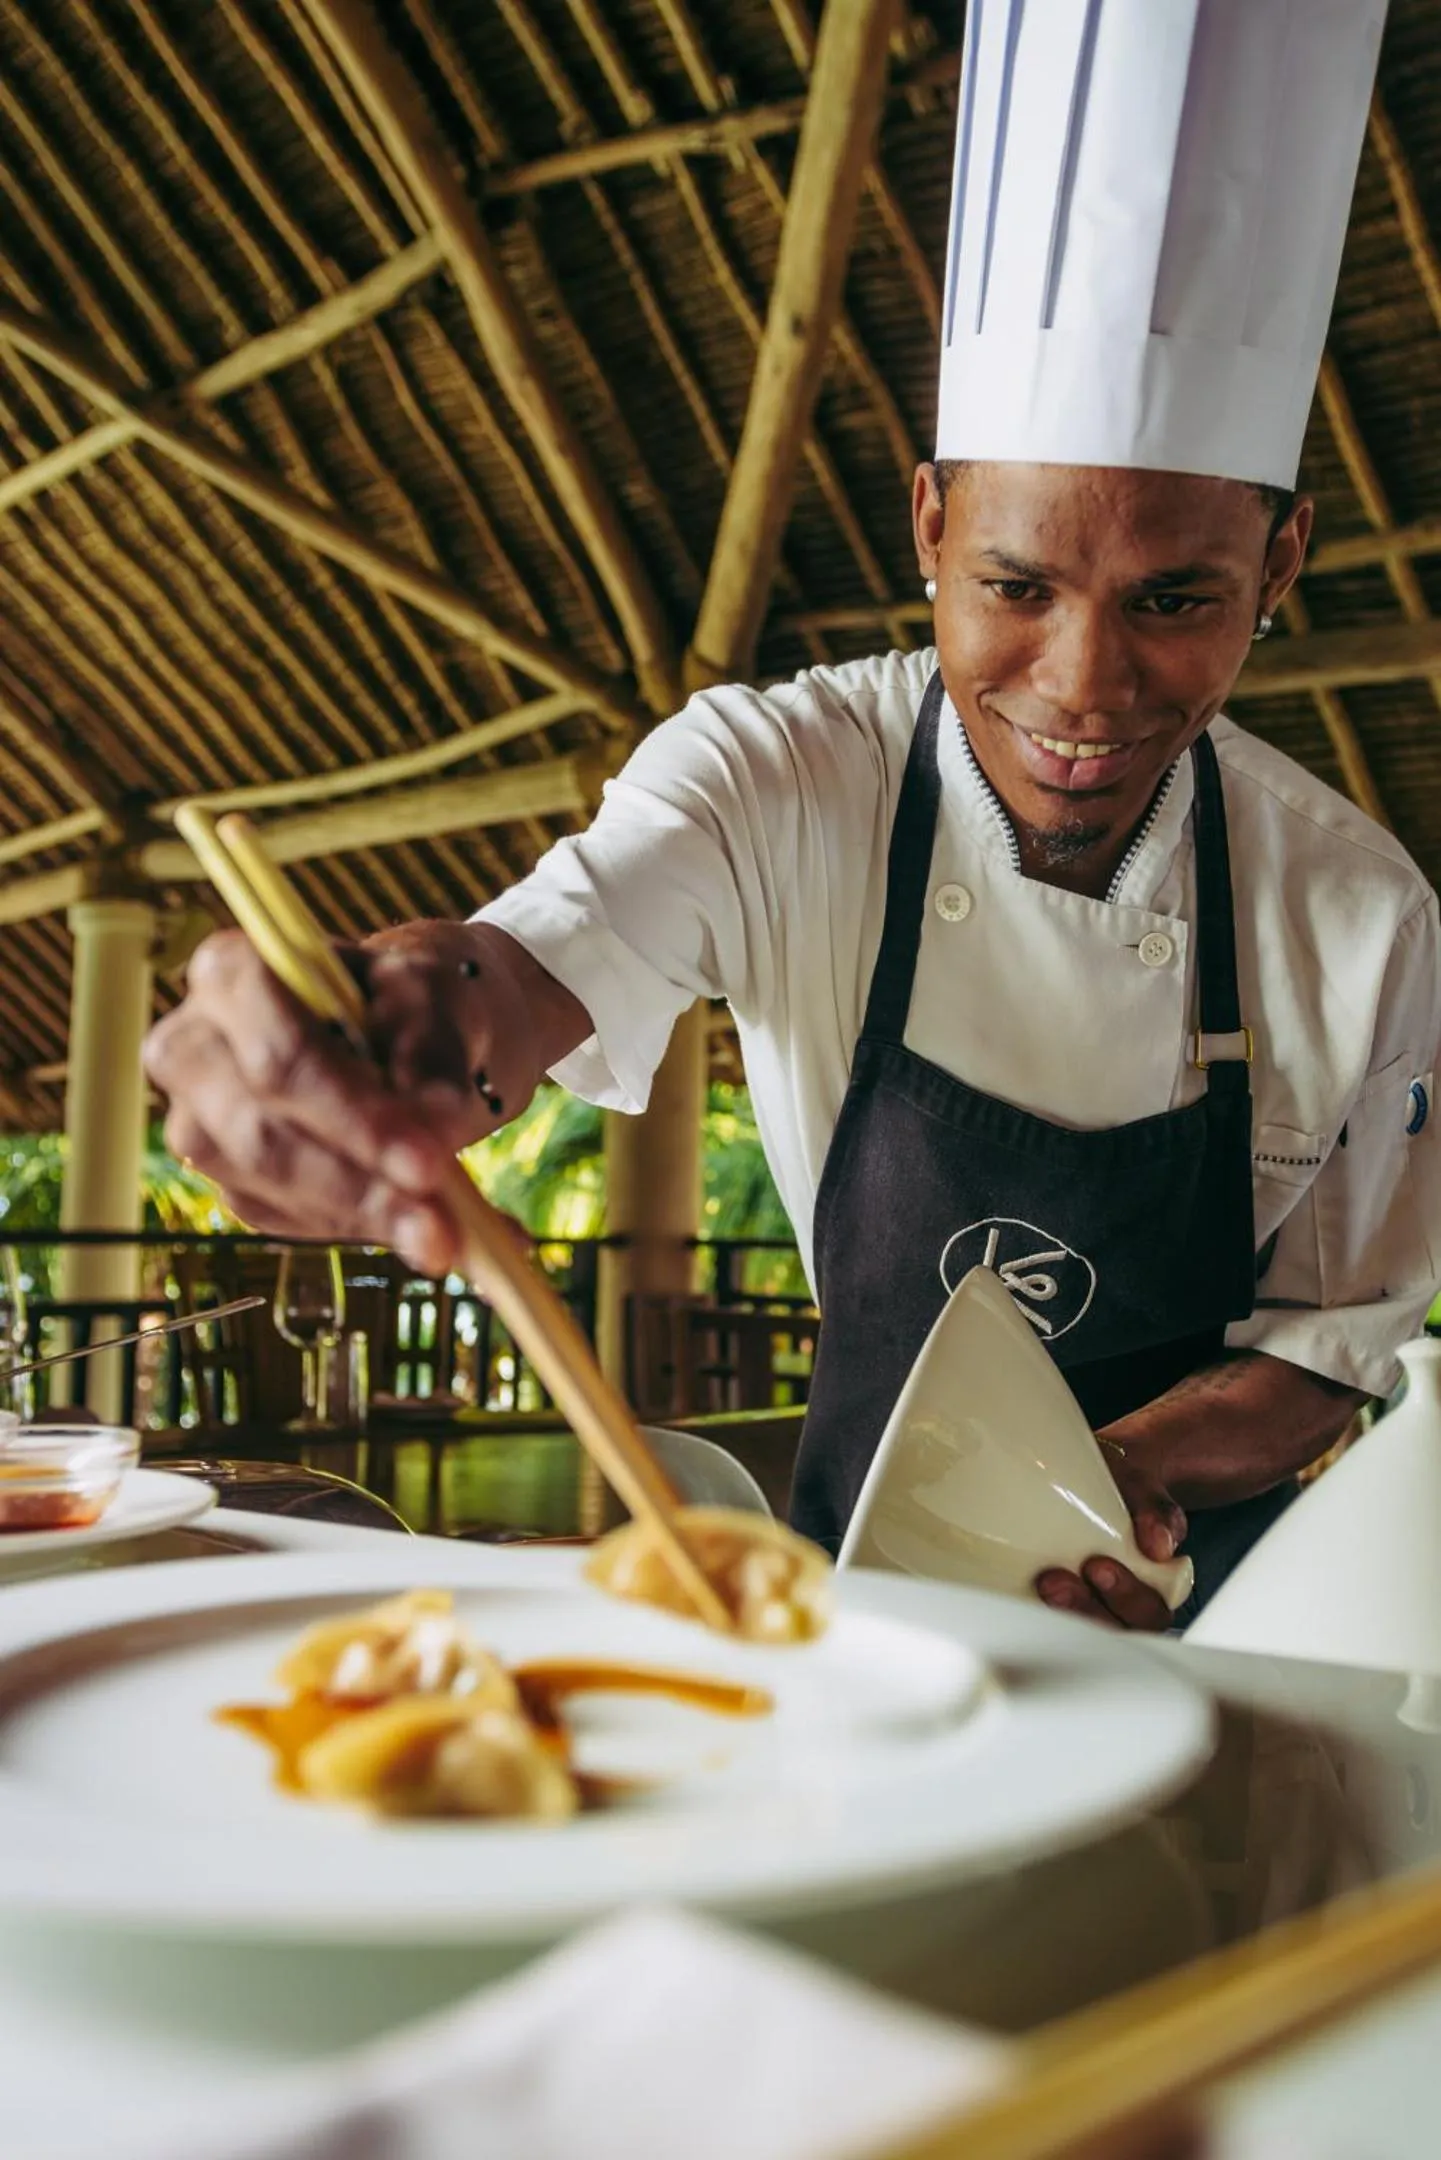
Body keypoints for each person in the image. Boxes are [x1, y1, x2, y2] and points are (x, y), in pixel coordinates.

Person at [145, 0, 1438, 1628]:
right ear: (927, 525)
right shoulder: (781, 775)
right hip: (838, 1617)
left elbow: (1327, 1345)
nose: (1088, 684)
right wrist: (381, 1032)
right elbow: (538, 951)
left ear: (1287, 560)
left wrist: (1101, 1485)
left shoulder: (1362, 918)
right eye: (1015, 585)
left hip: (1191, 1619)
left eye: (1178, 597)